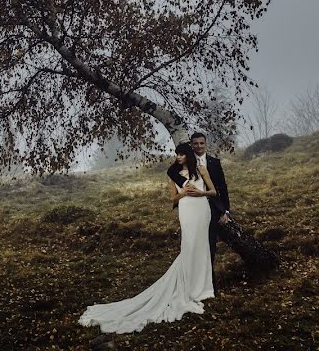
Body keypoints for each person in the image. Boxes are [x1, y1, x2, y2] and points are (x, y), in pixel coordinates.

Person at [79, 143, 217, 334]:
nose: (178, 157)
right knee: (189, 246)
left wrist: (201, 192)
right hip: (187, 212)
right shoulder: (173, 174)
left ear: (189, 156)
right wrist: (183, 193)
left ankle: (203, 288)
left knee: (202, 247)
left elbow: (213, 192)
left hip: (202, 209)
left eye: (182, 155)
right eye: (177, 154)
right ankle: (187, 287)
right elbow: (173, 199)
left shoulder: (201, 170)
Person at [167, 131, 230, 270]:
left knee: (210, 244)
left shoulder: (214, 162)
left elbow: (222, 187)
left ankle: (207, 279)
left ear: (206, 144)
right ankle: (191, 275)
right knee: (191, 242)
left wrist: (225, 210)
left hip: (211, 207)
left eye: (202, 143)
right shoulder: (182, 161)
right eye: (196, 144)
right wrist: (184, 185)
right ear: (192, 145)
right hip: (190, 209)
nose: (199, 146)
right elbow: (170, 173)